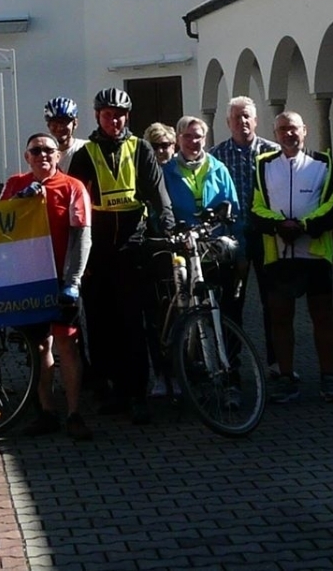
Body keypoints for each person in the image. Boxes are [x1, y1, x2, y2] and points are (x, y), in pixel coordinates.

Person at [67, 87, 168, 424]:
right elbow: (76, 204)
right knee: (100, 323)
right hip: (97, 250)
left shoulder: (141, 149)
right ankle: (110, 390)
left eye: (120, 114)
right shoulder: (86, 154)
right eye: (108, 114)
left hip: (132, 246)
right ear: (98, 116)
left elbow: (158, 194)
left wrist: (165, 229)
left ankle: (137, 392)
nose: (115, 120)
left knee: (134, 324)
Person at [2, 133, 93, 440]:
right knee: (39, 347)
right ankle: (46, 411)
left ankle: (75, 412)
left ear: (58, 156)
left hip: (61, 279)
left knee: (66, 344)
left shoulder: (72, 187)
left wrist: (73, 281)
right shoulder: (15, 185)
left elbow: (82, 236)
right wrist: (18, 203)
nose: (42, 155)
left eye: (48, 151)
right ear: (26, 156)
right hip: (29, 279)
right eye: (36, 151)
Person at [250, 111, 333, 404]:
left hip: (314, 254)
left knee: (323, 318)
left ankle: (328, 378)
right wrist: (278, 225)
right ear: (275, 134)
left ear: (305, 131)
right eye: (282, 130)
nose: (288, 134)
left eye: (293, 129)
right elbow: (256, 207)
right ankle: (287, 378)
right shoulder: (263, 165)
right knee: (280, 319)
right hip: (278, 254)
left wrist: (304, 226)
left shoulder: (323, 164)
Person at [160, 115, 245, 332]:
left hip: (216, 248)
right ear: (178, 139)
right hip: (183, 249)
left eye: (197, 136)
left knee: (226, 309)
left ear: (205, 139)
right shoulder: (166, 171)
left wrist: (240, 252)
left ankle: (230, 360)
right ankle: (188, 356)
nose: (193, 142)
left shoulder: (218, 169)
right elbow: (160, 210)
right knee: (186, 308)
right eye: (187, 136)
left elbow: (234, 210)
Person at [212, 95, 277, 341]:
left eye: (246, 116)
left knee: (271, 300)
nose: (242, 122)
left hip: (265, 237)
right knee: (231, 301)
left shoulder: (273, 153)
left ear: (256, 120)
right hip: (232, 238)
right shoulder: (216, 156)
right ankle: (232, 363)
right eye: (236, 118)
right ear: (228, 122)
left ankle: (276, 363)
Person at [43, 97, 85, 162]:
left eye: (64, 122)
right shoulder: (42, 154)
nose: (60, 127)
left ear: (75, 123)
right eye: (55, 123)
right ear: (48, 125)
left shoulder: (85, 149)